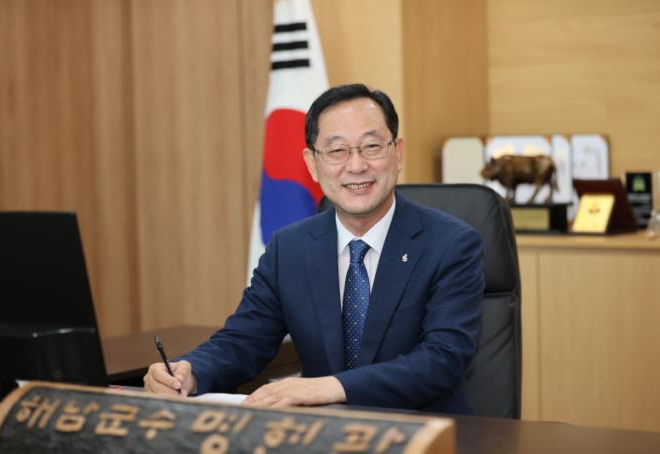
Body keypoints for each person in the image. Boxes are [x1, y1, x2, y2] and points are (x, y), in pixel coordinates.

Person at [144, 83, 484, 414]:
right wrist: (190, 371)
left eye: (371, 146)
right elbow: (244, 340)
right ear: (311, 164)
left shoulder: (451, 244)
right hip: (324, 435)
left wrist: (329, 387)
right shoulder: (289, 249)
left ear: (398, 153)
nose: (356, 166)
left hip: (427, 434)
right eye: (337, 151)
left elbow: (442, 359)